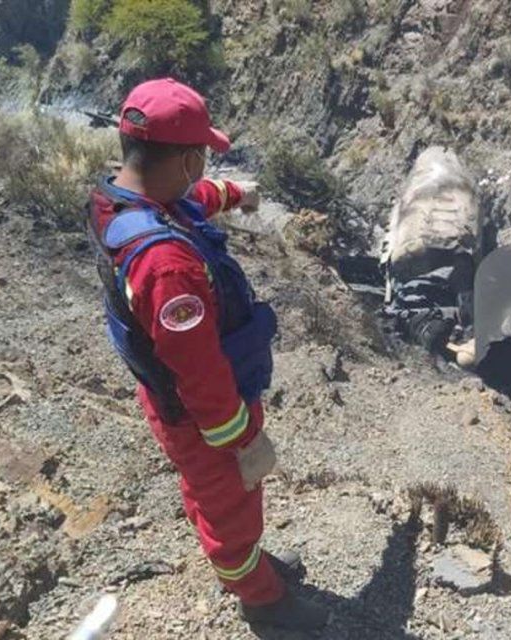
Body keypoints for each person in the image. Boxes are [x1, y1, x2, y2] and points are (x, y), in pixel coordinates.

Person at [85, 78, 327, 632]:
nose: (204, 171)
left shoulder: (124, 195)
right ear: (189, 158)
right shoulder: (169, 270)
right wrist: (243, 439)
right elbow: (202, 378)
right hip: (204, 417)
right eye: (203, 158)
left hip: (170, 400)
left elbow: (195, 198)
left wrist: (237, 193)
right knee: (231, 508)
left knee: (212, 494)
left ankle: (245, 562)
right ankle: (260, 597)